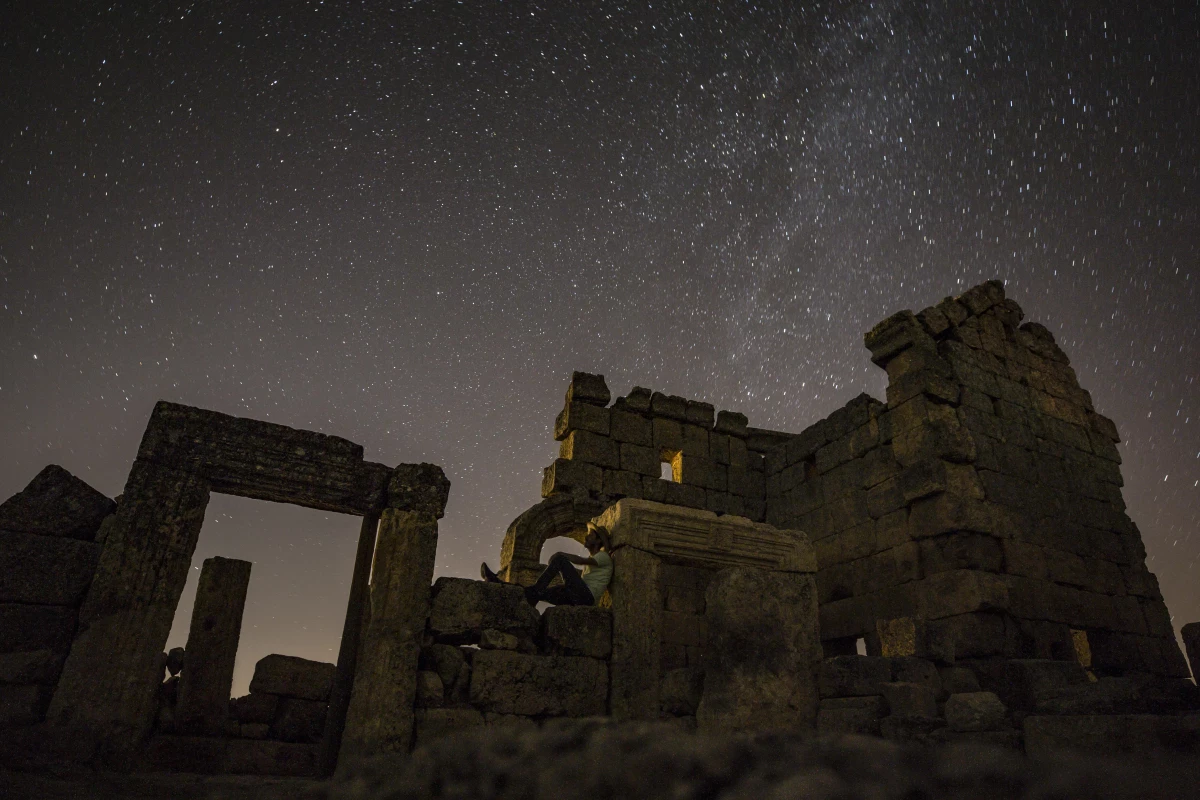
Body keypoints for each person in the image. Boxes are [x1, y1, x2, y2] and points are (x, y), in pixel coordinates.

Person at [481, 523, 613, 607]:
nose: (586, 537)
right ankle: (499, 584)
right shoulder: (595, 559)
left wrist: (562, 555)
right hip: (580, 597)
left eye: (590, 535)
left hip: (586, 598)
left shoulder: (603, 557)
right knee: (538, 593)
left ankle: (535, 591)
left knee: (561, 560)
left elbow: (581, 561)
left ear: (598, 540)